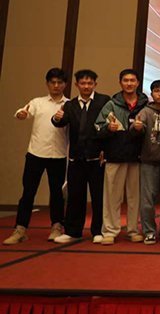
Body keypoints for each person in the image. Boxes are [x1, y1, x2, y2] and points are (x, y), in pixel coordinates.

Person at [4, 68, 69, 245]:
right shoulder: (37, 102)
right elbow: (23, 112)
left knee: (57, 194)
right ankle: (20, 229)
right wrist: (21, 114)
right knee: (28, 192)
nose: (56, 86)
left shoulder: (69, 104)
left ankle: (57, 227)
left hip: (58, 154)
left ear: (65, 84)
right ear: (47, 84)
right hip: (35, 154)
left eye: (60, 82)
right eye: (53, 82)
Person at [51, 69, 110, 244]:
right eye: (83, 83)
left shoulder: (104, 101)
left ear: (95, 84)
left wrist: (105, 150)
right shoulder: (70, 105)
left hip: (97, 158)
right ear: (77, 85)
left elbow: (108, 126)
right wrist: (56, 118)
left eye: (90, 83)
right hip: (76, 157)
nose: (86, 86)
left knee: (98, 196)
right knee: (75, 196)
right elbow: (60, 122)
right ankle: (73, 231)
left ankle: (98, 231)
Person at [95, 69, 148, 245]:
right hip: (115, 156)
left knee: (135, 198)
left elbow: (153, 130)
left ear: (138, 83)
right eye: (126, 80)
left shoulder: (145, 105)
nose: (129, 83)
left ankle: (133, 230)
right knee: (112, 197)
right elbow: (98, 127)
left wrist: (141, 129)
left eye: (132, 80)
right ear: (120, 83)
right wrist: (107, 129)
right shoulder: (112, 104)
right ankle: (110, 231)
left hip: (137, 157)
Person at [132, 79, 160, 245]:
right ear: (152, 94)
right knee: (148, 200)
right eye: (157, 91)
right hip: (149, 161)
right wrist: (137, 128)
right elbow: (135, 131)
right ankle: (149, 231)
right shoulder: (145, 111)